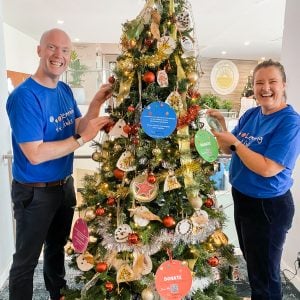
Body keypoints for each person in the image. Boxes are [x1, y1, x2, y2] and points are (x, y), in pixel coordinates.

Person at [6, 28, 113, 300]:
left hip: (63, 186)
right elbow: (35, 153)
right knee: (25, 262)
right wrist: (80, 139)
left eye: (65, 50)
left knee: (56, 251)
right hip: (34, 192)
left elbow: (77, 125)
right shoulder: (24, 97)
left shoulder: (64, 89)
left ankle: (58, 295)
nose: (59, 55)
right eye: (52, 48)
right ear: (39, 50)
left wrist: (96, 104)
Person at [207, 59, 300, 300]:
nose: (265, 88)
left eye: (272, 82)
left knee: (266, 277)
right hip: (243, 199)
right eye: (259, 82)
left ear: (284, 85)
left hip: (267, 208)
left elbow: (268, 168)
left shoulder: (290, 122)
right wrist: (221, 126)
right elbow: (230, 150)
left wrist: (235, 142)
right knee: (254, 264)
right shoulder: (251, 114)